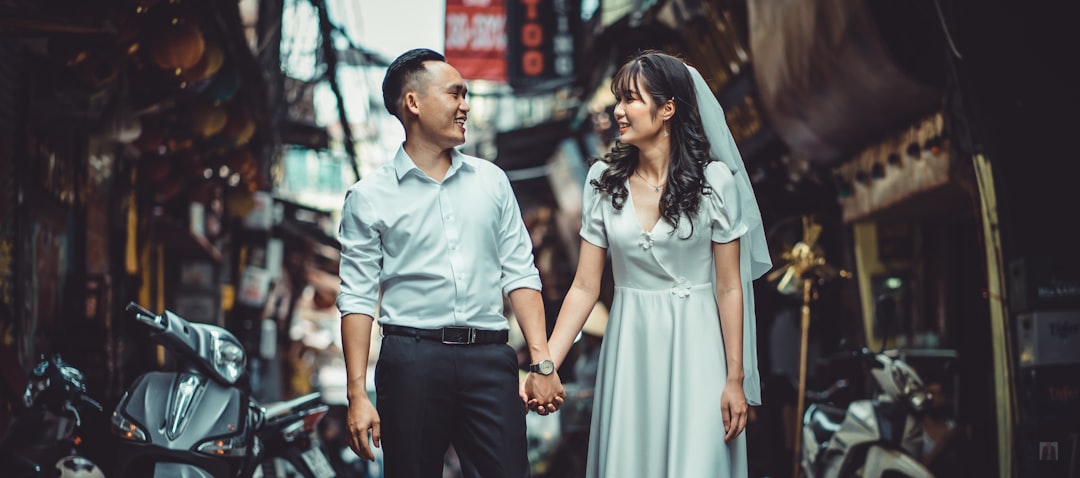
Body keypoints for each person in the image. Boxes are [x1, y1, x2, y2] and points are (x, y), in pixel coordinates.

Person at [541, 50, 772, 477]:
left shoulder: (715, 183)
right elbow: (584, 288)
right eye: (618, 99)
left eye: (630, 99)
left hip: (701, 347)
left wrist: (735, 378)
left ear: (667, 109)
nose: (618, 111)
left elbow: (729, 287)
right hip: (632, 347)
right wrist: (547, 361)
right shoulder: (601, 183)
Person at [336, 48, 565, 478]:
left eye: (467, 95)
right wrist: (356, 396)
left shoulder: (492, 180)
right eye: (455, 94)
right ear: (413, 103)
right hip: (411, 362)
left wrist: (541, 362)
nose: (466, 106)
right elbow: (357, 298)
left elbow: (520, 271)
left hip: (490, 359)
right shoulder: (368, 197)